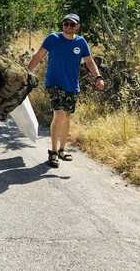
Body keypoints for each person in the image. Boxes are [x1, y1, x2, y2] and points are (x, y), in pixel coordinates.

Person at [27, 13, 105, 167]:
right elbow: (38, 56)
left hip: (71, 84)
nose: (68, 26)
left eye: (71, 24)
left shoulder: (81, 42)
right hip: (53, 82)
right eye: (65, 23)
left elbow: (89, 61)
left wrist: (98, 77)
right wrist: (27, 72)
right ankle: (54, 151)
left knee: (66, 117)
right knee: (58, 114)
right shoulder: (52, 39)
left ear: (77, 26)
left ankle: (63, 149)